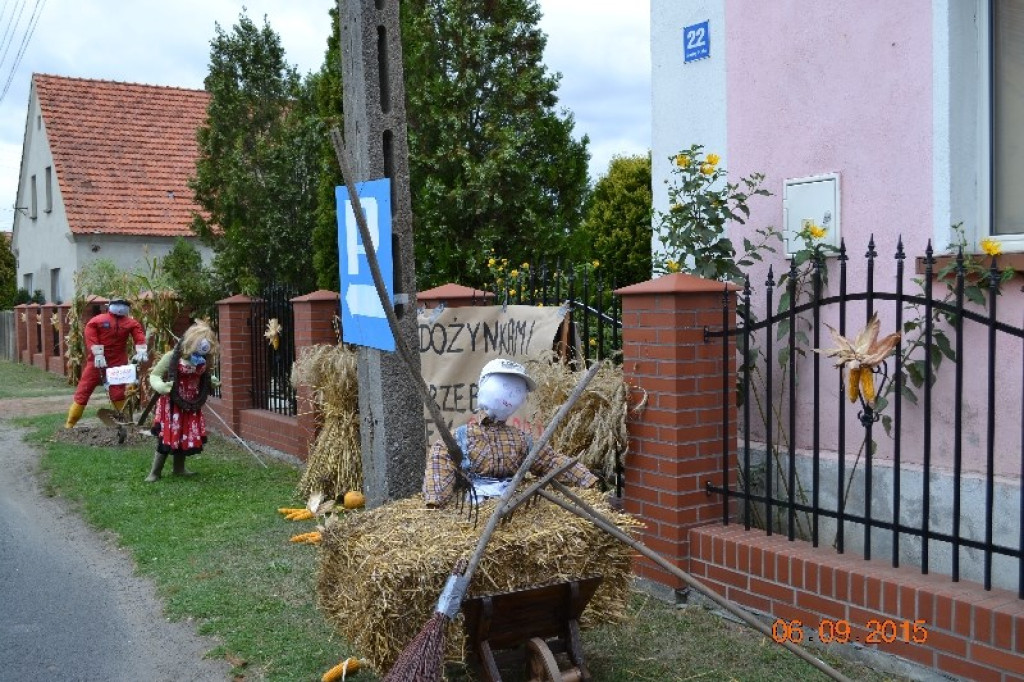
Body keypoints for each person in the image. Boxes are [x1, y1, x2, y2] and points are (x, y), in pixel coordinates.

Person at [423, 358, 597, 507]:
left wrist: (586, 479)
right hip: (473, 505)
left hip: (513, 504)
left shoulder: (520, 440)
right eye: (504, 386)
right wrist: (436, 500)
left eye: (517, 391)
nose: (511, 396)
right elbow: (439, 468)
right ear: (485, 385)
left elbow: (550, 461)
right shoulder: (457, 439)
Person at [145, 321, 221, 482]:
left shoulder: (203, 359)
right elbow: (155, 375)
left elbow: (204, 375)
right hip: (172, 404)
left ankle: (179, 468)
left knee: (184, 434)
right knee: (167, 435)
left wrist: (212, 380)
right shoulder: (172, 356)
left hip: (191, 403)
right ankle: (155, 472)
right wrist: (161, 386)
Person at [65, 297, 148, 428]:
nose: (120, 307)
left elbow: (139, 335)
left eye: (123, 304)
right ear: (109, 306)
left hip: (117, 363)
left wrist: (141, 350)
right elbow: (90, 333)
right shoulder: (98, 320)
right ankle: (70, 424)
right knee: (84, 390)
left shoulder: (130, 323)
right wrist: (97, 352)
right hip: (96, 363)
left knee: (118, 392)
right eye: (118, 304)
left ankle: (123, 422)